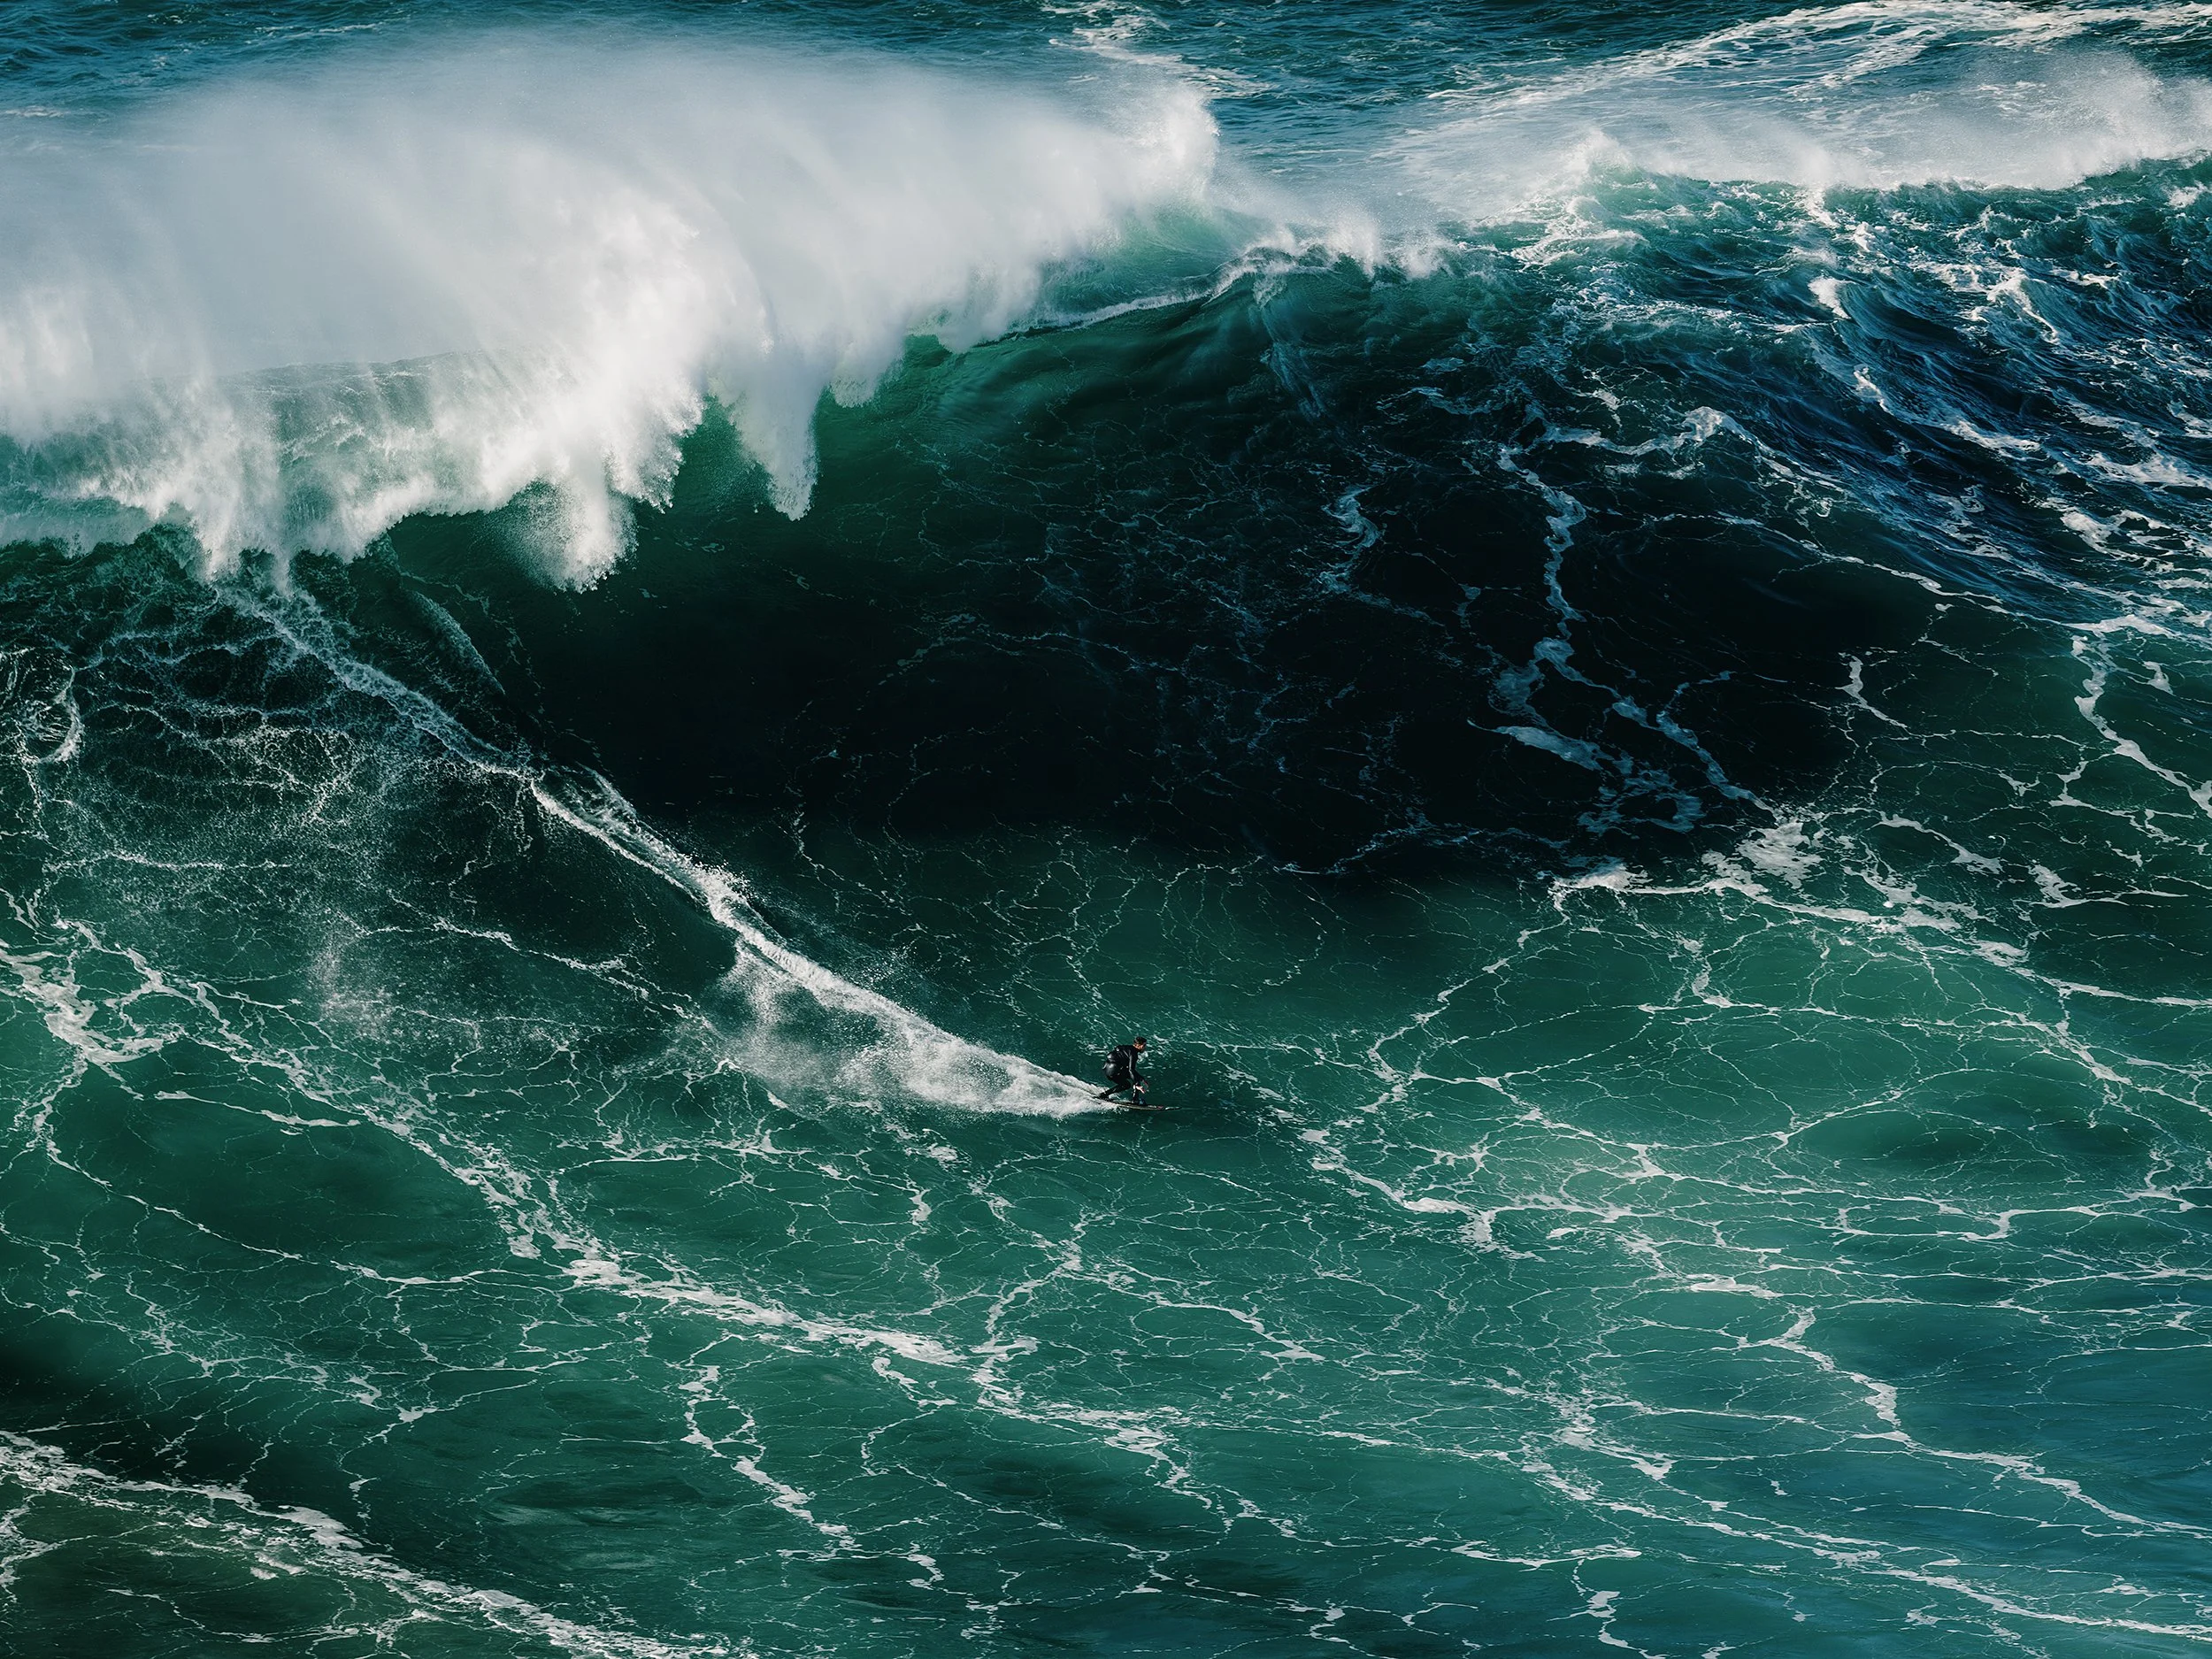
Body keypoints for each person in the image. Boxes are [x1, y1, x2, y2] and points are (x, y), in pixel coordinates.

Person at [1098, 1036, 1149, 1105]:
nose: (1145, 1047)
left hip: (1107, 1068)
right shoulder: (1133, 1054)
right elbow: (1131, 1070)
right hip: (1114, 1071)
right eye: (1144, 1045)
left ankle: (1104, 1095)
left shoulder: (1126, 1048)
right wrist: (1137, 1084)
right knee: (1129, 1083)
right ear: (1138, 1045)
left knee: (1137, 1078)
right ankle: (1135, 1101)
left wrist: (1141, 1078)